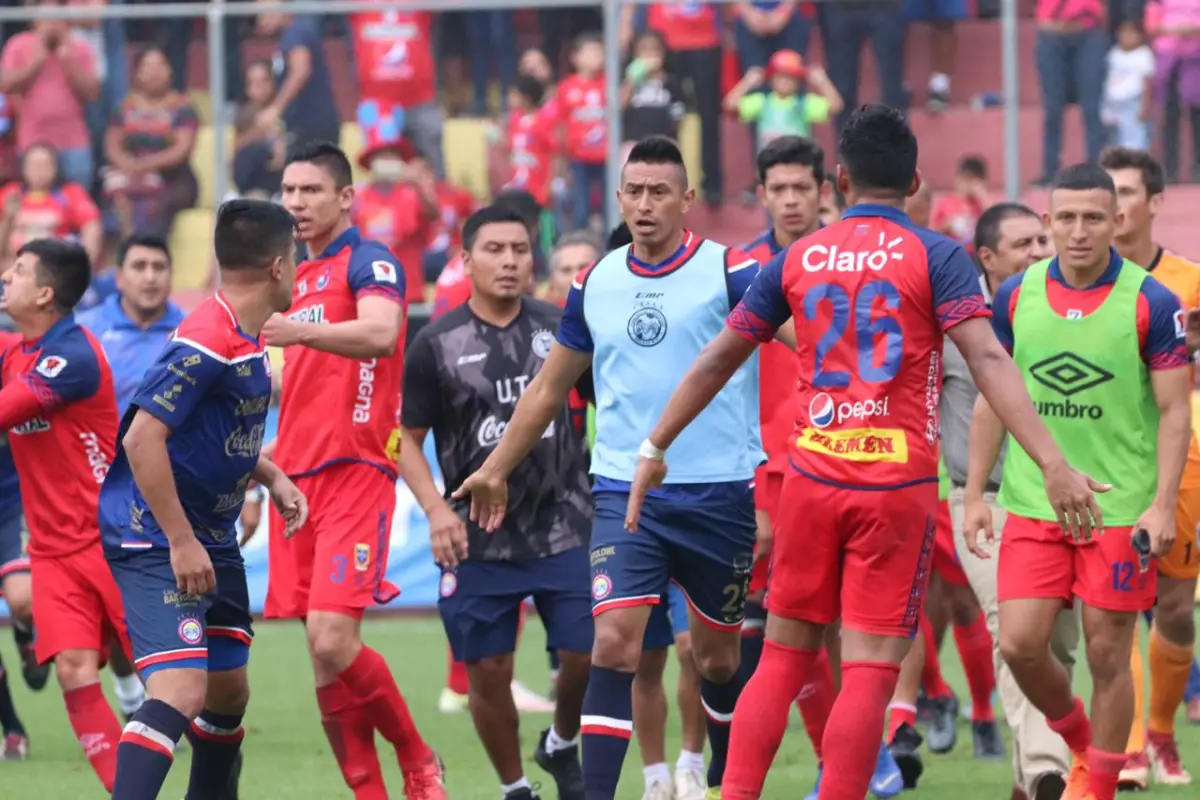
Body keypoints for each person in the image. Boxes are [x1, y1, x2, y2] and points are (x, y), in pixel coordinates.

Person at [624, 104, 1106, 800]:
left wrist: (654, 445)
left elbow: (716, 358)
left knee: (784, 656)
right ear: (914, 181)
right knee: (873, 664)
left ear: (838, 181)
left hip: (813, 479)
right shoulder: (938, 255)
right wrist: (1054, 462)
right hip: (896, 487)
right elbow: (990, 360)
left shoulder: (796, 258)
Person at [453, 135, 776, 799]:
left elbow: (809, 337)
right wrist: (497, 468)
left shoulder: (732, 272)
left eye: (661, 192)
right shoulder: (594, 282)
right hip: (626, 496)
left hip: (718, 495)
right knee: (614, 647)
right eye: (635, 191)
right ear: (620, 197)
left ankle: (721, 746)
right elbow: (548, 389)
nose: (646, 204)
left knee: (716, 658)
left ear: (688, 200)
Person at [964, 163, 1192, 800]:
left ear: (1116, 222)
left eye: (1094, 217)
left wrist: (1160, 506)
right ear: (1047, 223)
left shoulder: (1152, 301)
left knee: (1106, 655)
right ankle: (1084, 743)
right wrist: (978, 493)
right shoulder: (1015, 296)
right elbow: (992, 396)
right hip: (1033, 506)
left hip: (1118, 515)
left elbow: (1176, 412)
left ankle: (1095, 786)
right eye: (1065, 218)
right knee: (1020, 645)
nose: (1080, 231)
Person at [100, 199, 306, 799]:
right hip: (156, 535)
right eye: (295, 259)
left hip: (209, 535)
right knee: (182, 690)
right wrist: (182, 541)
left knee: (228, 693)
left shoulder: (241, 335)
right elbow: (142, 437)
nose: (297, 270)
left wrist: (270, 475)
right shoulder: (207, 339)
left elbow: (206, 431)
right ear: (276, 266)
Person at [263, 141, 445, 799]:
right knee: (320, 658)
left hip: (356, 471)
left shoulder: (370, 261)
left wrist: (296, 331)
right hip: (297, 481)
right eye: (289, 191)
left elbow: (381, 333)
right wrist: (268, 478)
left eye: (310, 191)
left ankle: (419, 759)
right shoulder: (289, 275)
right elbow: (298, 390)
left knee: (333, 637)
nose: (296, 203)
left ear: (345, 198)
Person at [398, 205, 591, 800]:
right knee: (487, 674)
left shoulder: (563, 325)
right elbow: (403, 439)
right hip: (477, 535)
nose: (509, 262)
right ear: (466, 260)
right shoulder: (435, 342)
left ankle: (560, 742)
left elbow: (609, 399)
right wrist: (434, 511)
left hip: (566, 522)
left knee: (591, 653)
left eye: (520, 250)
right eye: (494, 250)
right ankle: (515, 788)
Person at [741, 134, 902, 799]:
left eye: (800, 188)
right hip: (765, 469)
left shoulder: (858, 260)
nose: (788, 199)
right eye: (776, 189)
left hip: (850, 457)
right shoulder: (742, 267)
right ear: (761, 195)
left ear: (826, 189)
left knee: (833, 621)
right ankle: (849, 762)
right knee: (786, 625)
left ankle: (863, 760)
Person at [950, 203, 1080, 800]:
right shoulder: (953, 319)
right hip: (986, 501)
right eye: (1023, 243)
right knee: (1013, 628)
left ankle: (1026, 783)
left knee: (1055, 643)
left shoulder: (1070, 310)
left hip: (1066, 502)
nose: (1038, 251)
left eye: (1040, 240)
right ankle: (1050, 773)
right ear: (987, 258)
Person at [0, 238, 132, 791]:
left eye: (20, 269)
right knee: (75, 672)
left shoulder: (72, 356)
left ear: (46, 293)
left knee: (187, 683)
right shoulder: (16, 350)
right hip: (53, 552)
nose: (6, 275)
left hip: (114, 542)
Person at [1099, 146, 1198, 789]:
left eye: (1127, 193)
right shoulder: (1077, 279)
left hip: (1182, 461)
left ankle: (1160, 729)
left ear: (1155, 202)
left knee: (1175, 608)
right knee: (1113, 603)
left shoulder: (1189, 282)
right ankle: (1129, 748)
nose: (1113, 207)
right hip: (1106, 459)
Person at [77, 234, 183, 414]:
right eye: (139, 267)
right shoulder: (83, 331)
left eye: (159, 267)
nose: (150, 277)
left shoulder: (192, 333)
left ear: (171, 275)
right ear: (119, 277)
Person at [0, 430, 28, 759]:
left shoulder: (12, 378)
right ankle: (13, 728)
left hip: (13, 504)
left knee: (23, 600)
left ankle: (26, 629)